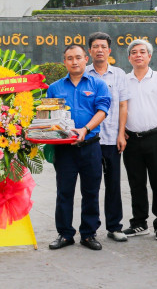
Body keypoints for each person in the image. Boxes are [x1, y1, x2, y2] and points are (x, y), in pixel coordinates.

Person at [47, 44, 111, 251]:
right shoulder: (54, 88)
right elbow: (49, 117)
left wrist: (85, 129)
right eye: (69, 58)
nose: (74, 62)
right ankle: (65, 234)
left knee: (91, 191)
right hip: (64, 149)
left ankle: (88, 234)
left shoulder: (98, 84)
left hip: (90, 146)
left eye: (78, 57)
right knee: (64, 192)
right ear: (64, 61)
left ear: (86, 59)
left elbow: (102, 110)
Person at [117, 39, 157, 240]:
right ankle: (139, 223)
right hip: (131, 139)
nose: (138, 55)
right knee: (136, 182)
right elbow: (121, 107)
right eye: (134, 52)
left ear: (149, 56)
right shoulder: (123, 80)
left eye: (142, 52)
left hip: (156, 137)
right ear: (129, 57)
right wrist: (121, 131)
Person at [84, 32, 129, 242]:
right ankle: (90, 229)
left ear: (109, 51)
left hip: (112, 138)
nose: (99, 49)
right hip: (90, 140)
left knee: (113, 184)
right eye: (95, 46)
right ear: (89, 51)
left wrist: (121, 134)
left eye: (103, 46)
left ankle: (114, 226)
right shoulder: (83, 74)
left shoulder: (119, 74)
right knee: (90, 186)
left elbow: (122, 105)